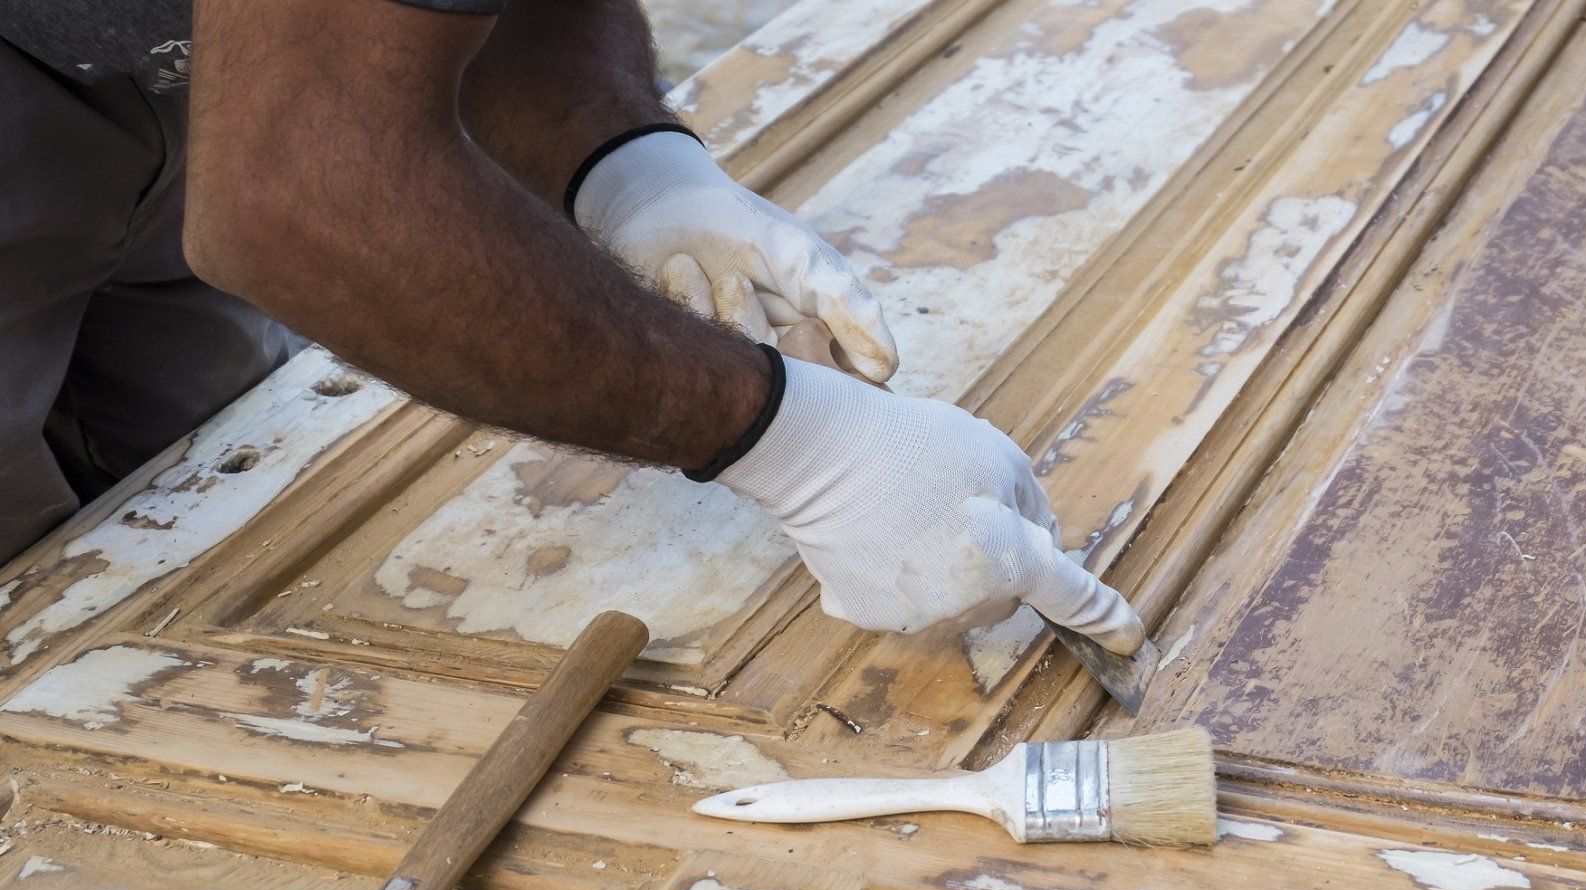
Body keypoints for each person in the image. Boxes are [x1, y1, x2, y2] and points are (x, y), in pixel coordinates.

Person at [0, 0, 1143, 656]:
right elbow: (289, 200)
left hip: (175, 53)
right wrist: (789, 436)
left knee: (184, 515)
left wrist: (629, 164)